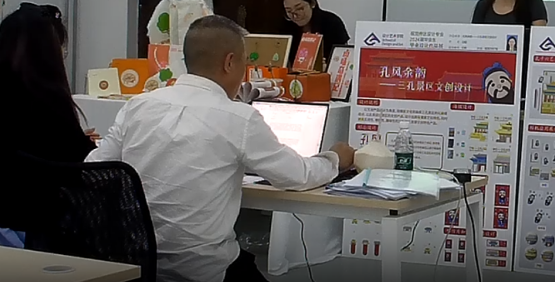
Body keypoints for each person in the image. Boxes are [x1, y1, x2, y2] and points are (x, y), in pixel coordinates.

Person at [89, 15, 355, 282]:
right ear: (230, 62)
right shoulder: (239, 118)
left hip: (135, 262)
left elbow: (93, 169)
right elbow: (298, 176)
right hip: (200, 268)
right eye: (245, 63)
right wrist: (335, 159)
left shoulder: (138, 106)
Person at [0, 3, 96, 246]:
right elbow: (79, 164)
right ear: (51, 51)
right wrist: (87, 144)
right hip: (24, 224)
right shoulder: (45, 96)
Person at [282, 0, 350, 65]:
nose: (295, 16)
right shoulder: (286, 27)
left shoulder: (332, 22)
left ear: (312, 3)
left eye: (299, 9)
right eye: (289, 11)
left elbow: (344, 57)